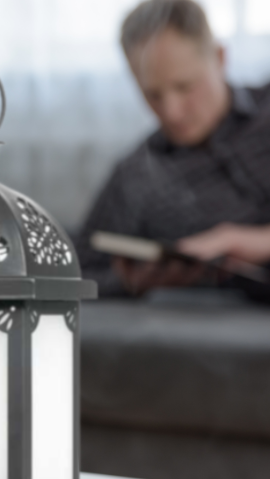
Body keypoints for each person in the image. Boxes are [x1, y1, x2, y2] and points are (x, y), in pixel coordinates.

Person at [75, 0, 270, 297]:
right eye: (152, 94)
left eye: (184, 86)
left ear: (219, 57)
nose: (172, 112)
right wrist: (132, 281)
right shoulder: (135, 175)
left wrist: (245, 241)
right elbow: (74, 271)